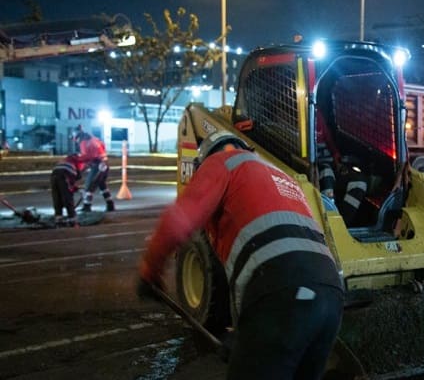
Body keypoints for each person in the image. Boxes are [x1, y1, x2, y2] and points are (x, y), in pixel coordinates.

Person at [137, 130, 344, 380]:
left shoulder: (223, 163)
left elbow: (178, 221)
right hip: (331, 296)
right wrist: (244, 333)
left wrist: (150, 270)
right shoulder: (283, 178)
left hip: (282, 290)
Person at [73, 125, 114, 212]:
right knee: (102, 185)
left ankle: (87, 206)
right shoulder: (95, 139)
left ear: (76, 137)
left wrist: (78, 164)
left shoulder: (83, 142)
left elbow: (86, 157)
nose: (76, 142)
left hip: (97, 165)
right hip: (104, 165)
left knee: (88, 186)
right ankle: (110, 205)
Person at [50, 154, 85, 226]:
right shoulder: (78, 162)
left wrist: (74, 188)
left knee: (57, 197)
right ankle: (72, 220)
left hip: (54, 174)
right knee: (67, 197)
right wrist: (76, 188)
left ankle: (58, 219)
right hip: (65, 173)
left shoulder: (65, 160)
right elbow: (76, 180)